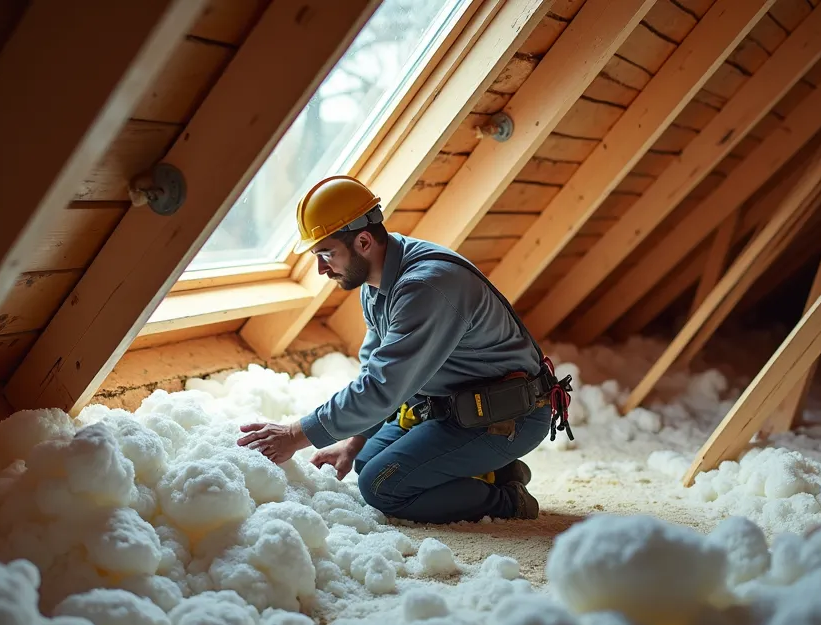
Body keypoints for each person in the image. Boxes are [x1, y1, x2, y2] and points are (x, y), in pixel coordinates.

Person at [236, 175, 573, 524]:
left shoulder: (425, 286)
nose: (322, 269)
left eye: (326, 255)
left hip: (504, 417)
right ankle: (499, 470)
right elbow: (375, 370)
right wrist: (354, 442)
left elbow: (383, 386)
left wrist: (294, 435)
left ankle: (507, 499)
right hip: (455, 408)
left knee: (382, 486)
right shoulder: (377, 283)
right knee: (367, 458)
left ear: (363, 241)